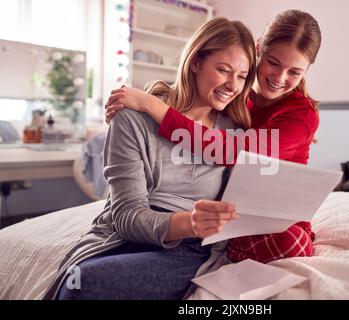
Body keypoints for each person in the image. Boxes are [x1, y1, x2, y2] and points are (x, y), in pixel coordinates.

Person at [42, 17, 256, 300]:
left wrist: (195, 226)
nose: (233, 85)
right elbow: (127, 217)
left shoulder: (233, 135)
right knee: (76, 281)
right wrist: (188, 221)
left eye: (241, 77)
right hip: (122, 238)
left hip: (186, 247)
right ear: (195, 62)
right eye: (223, 70)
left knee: (86, 285)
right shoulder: (132, 118)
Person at [105, 10, 321, 264]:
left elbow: (233, 152)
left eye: (294, 72)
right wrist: (146, 107)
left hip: (275, 212)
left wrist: (154, 107)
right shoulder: (237, 102)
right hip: (230, 212)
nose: (279, 78)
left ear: (306, 71)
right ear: (259, 49)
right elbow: (191, 105)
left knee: (291, 241)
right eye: (273, 63)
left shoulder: (301, 115)